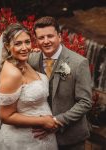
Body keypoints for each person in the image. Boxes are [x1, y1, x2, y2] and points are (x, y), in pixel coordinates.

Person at [0, 23, 61, 150]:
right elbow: (5, 116)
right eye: (18, 43)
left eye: (27, 42)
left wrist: (35, 52)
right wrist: (43, 121)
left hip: (41, 138)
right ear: (7, 46)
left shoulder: (22, 62)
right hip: (23, 142)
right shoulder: (13, 73)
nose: (24, 47)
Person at [28, 16, 92, 150]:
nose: (46, 41)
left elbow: (85, 102)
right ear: (36, 40)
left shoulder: (79, 63)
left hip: (70, 138)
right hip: (39, 138)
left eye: (50, 36)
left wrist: (57, 121)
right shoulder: (31, 60)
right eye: (41, 38)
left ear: (59, 36)